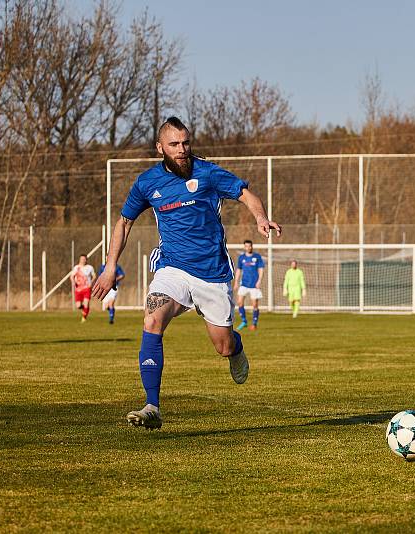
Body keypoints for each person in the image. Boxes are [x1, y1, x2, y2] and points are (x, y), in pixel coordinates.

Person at [92, 116, 281, 430]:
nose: (182, 150)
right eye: (174, 144)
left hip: (212, 273)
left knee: (222, 346)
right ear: (160, 148)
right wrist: (110, 266)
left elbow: (246, 194)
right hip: (172, 268)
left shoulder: (208, 173)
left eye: (186, 143)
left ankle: (237, 347)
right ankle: (152, 405)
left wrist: (261, 218)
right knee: (152, 318)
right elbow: (124, 222)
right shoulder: (147, 182)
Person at [233, 240, 264, 330]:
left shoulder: (257, 257)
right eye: (246, 246)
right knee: (239, 302)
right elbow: (239, 270)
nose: (248, 248)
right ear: (244, 247)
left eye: (249, 246)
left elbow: (261, 269)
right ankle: (244, 321)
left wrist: (259, 281)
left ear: (252, 246)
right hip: (244, 284)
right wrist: (236, 282)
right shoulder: (241, 258)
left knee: (254, 304)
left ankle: (254, 323)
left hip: (254, 284)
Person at [71, 254, 96, 322]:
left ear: (86, 260)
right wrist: (73, 282)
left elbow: (94, 276)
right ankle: (86, 309)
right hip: (78, 289)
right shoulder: (76, 267)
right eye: (81, 259)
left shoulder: (90, 267)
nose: (83, 260)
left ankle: (84, 317)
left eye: (84, 259)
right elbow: (72, 276)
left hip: (87, 288)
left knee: (86, 302)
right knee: (78, 306)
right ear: (79, 260)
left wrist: (91, 282)